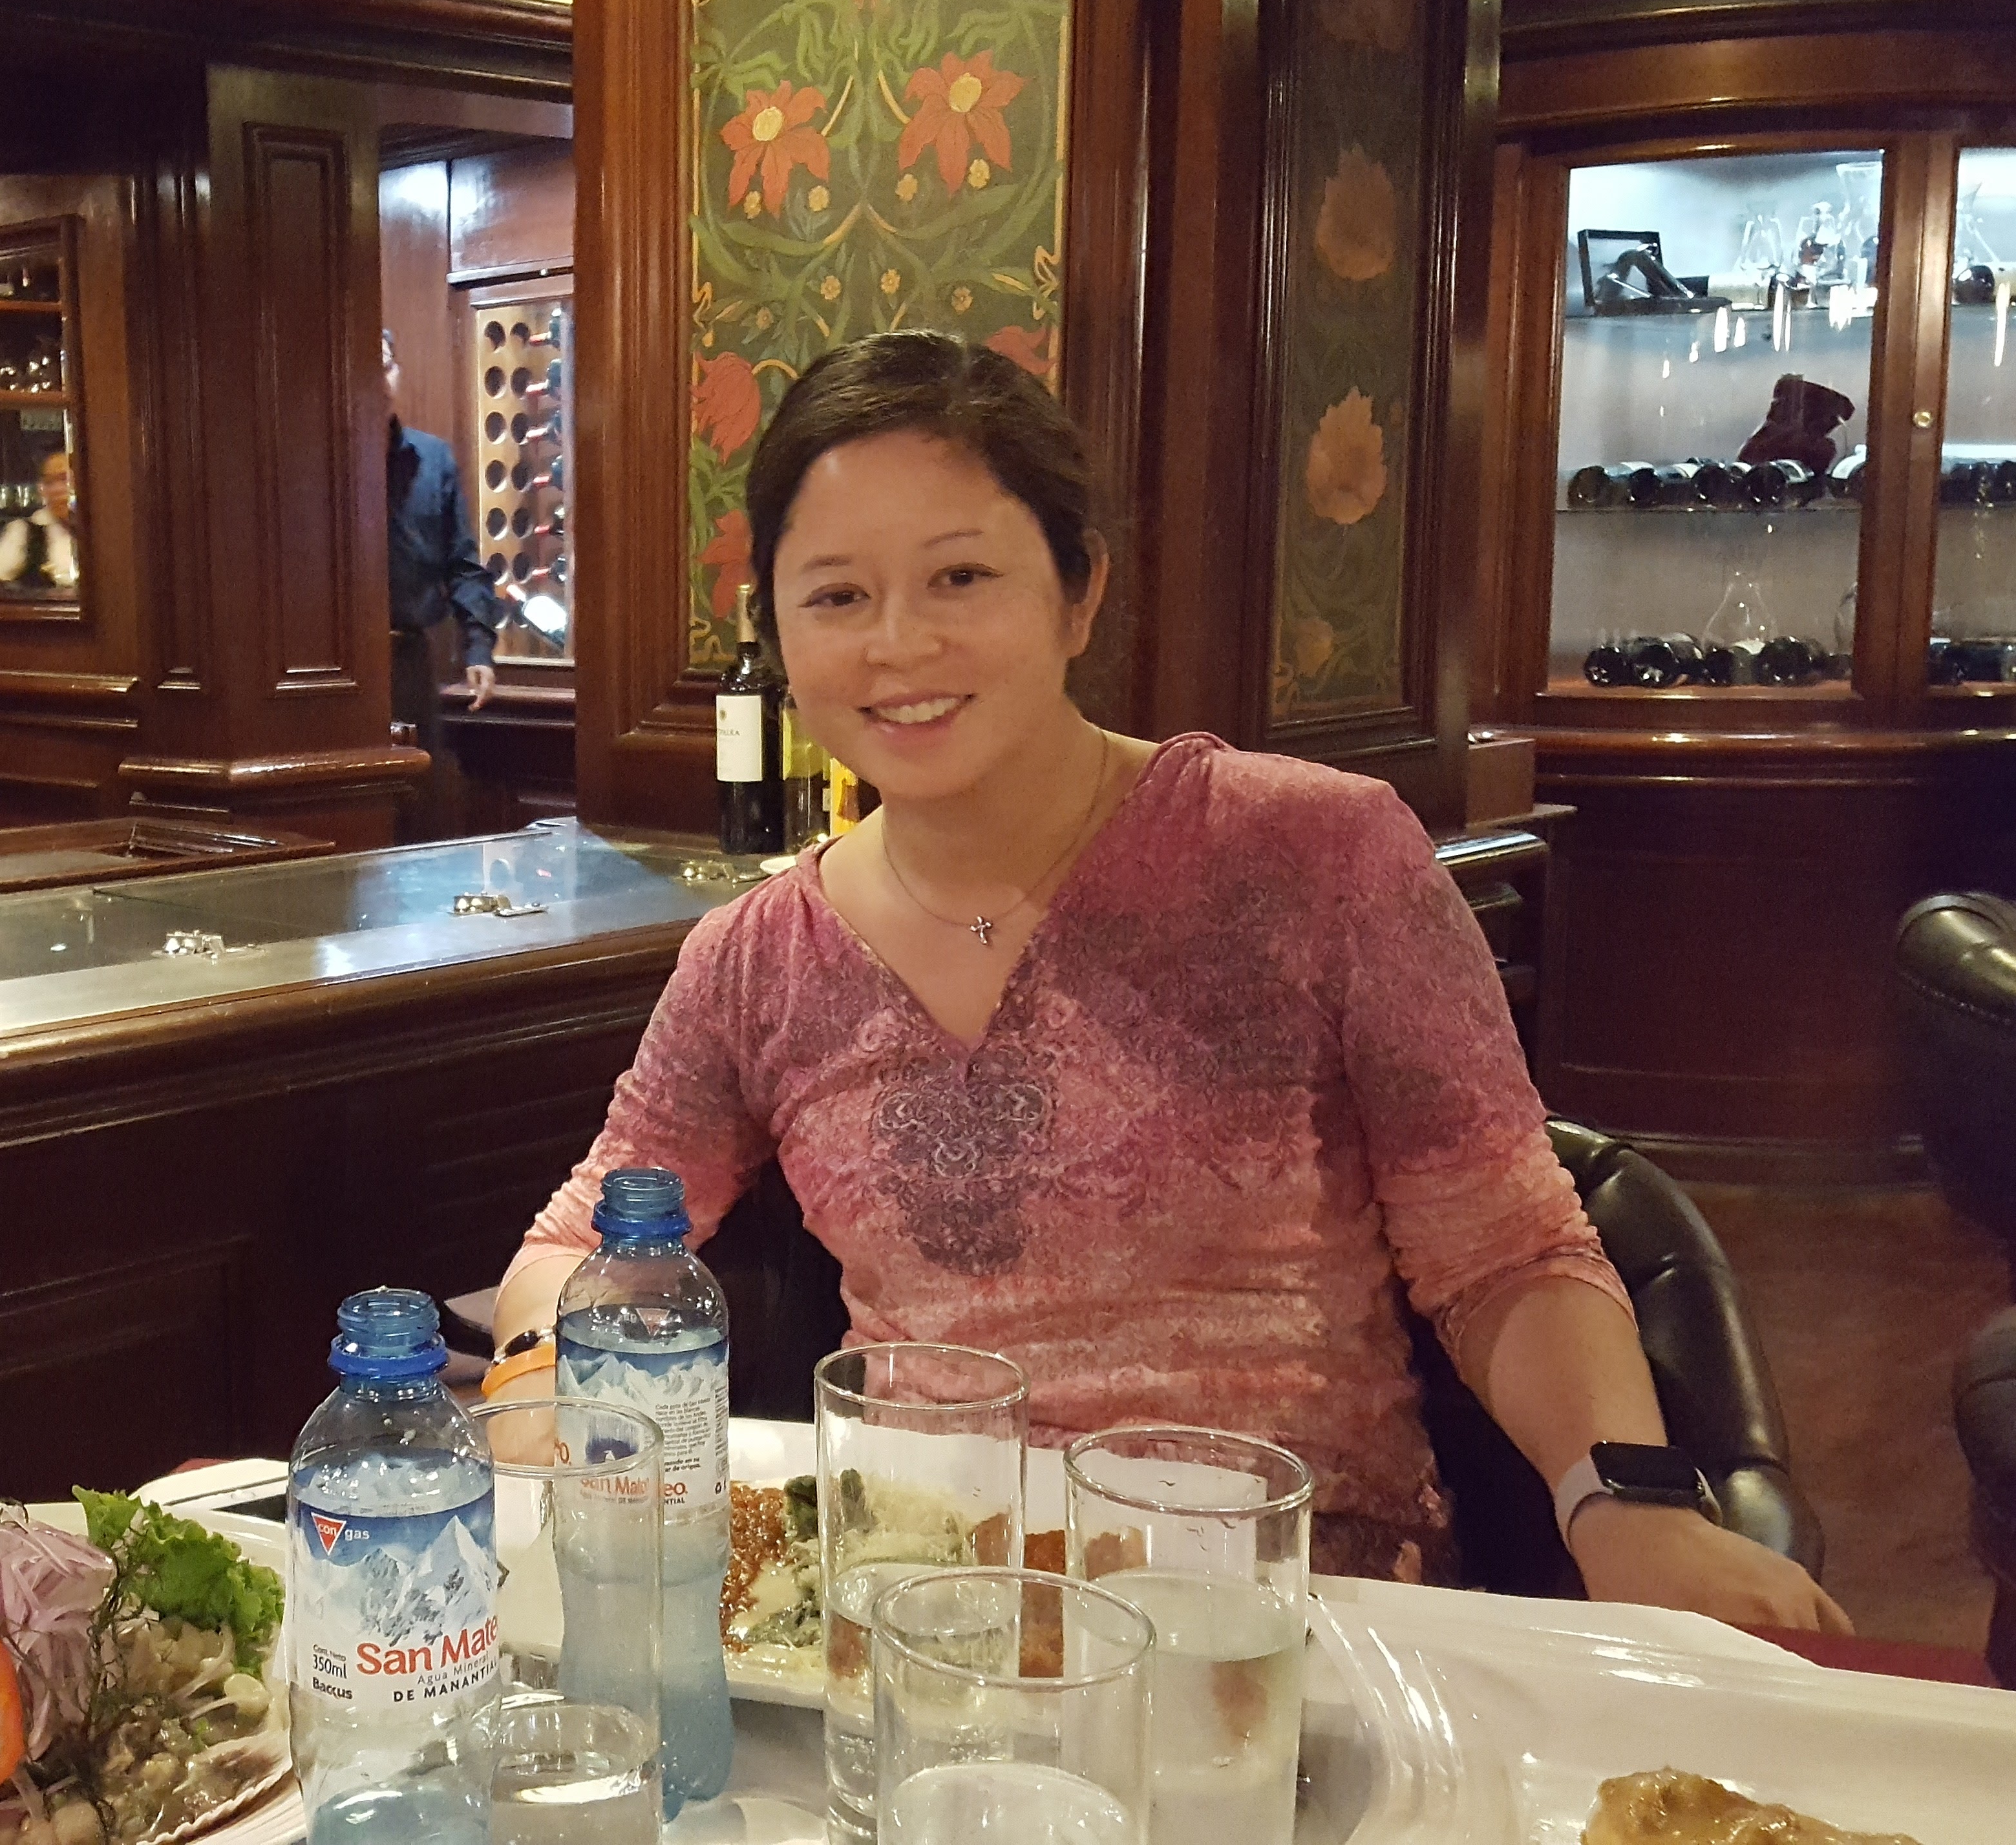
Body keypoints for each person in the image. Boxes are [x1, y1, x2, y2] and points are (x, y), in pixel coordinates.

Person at [496, 330, 1847, 1630]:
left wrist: (1623, 1503)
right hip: (927, 1619)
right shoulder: (757, 958)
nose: (896, 644)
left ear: (1078, 590)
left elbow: (1504, 1249)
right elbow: (583, 1239)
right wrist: (537, 1371)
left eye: (960, 577)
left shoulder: (1313, 855)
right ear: (777, 629)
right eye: (837, 595)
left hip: (1294, 1614)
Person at [384, 329, 504, 807]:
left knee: (416, 803)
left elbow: (464, 564)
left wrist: (478, 649)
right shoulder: (317, 462)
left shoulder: (433, 460)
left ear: (398, 373)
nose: (379, 379)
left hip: (407, 660)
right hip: (334, 677)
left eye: (385, 365)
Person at [0, 447, 80, 589]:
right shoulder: (25, 532)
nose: (57, 490)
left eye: (64, 479)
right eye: (49, 482)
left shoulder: (103, 530)